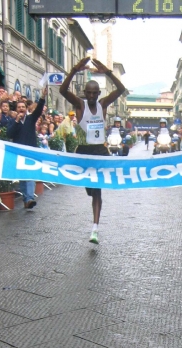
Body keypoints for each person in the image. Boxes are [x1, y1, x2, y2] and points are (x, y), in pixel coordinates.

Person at [60, 57, 126, 244]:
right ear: (84, 93)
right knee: (90, 190)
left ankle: (95, 229)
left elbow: (121, 90)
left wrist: (108, 72)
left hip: (100, 152)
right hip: (83, 152)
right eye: (88, 93)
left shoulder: (103, 105)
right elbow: (63, 90)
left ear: (98, 94)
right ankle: (94, 223)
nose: (90, 96)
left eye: (94, 93)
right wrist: (74, 70)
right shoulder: (80, 105)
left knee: (97, 191)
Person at [7, 87, 47, 209]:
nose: (21, 109)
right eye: (19, 107)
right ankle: (26, 199)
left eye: (23, 107)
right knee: (23, 177)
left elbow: (39, 110)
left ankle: (29, 198)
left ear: (26, 109)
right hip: (18, 153)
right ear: (16, 109)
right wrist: (17, 122)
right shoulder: (12, 121)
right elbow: (9, 134)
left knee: (29, 175)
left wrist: (42, 97)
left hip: (30, 152)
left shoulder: (31, 119)